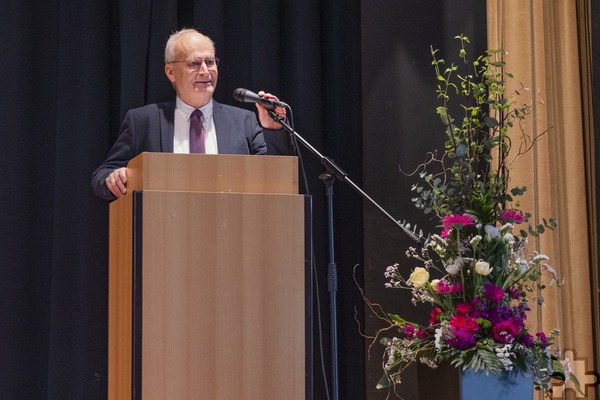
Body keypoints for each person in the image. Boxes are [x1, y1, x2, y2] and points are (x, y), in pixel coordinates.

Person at [92, 28, 293, 200]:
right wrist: (114, 178)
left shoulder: (244, 122)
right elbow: (102, 175)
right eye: (194, 64)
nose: (205, 71)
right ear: (170, 72)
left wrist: (274, 130)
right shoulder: (143, 121)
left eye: (210, 62)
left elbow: (275, 179)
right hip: (164, 233)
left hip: (233, 232)